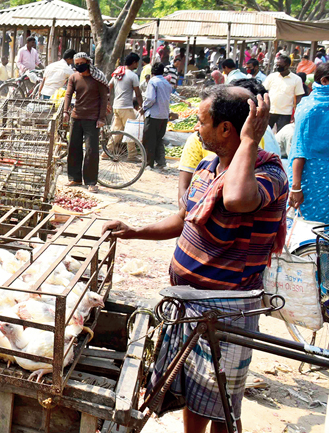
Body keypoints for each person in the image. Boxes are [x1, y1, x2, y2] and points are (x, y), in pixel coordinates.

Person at [104, 85, 287, 433]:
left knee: (220, 407)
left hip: (226, 311)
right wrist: (135, 230)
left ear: (227, 129)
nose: (195, 129)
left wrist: (250, 140)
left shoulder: (269, 174)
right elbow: (184, 218)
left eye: (201, 122)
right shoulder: (208, 166)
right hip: (189, 304)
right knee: (194, 397)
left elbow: (236, 200)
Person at [288, 61, 329, 223]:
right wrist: (296, 187)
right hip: (311, 180)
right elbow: (300, 149)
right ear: (324, 81)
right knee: (309, 229)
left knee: (327, 229)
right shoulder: (311, 109)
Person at [62, 53, 108, 193]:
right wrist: (65, 111)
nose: (78, 65)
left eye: (81, 63)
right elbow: (68, 94)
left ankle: (91, 181)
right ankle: (75, 178)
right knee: (73, 148)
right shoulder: (74, 77)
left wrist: (101, 118)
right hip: (76, 117)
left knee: (91, 151)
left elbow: (103, 99)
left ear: (88, 63)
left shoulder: (97, 78)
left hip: (92, 119)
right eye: (76, 63)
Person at [142, 62, 173, 170]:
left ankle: (148, 164)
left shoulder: (153, 82)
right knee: (159, 139)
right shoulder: (167, 83)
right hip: (164, 115)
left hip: (153, 115)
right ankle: (161, 162)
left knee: (149, 139)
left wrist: (143, 107)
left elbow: (150, 99)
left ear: (152, 72)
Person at [108, 53, 143, 147]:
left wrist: (107, 100)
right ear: (134, 62)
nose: (137, 65)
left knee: (116, 131)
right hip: (126, 107)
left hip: (116, 106)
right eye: (137, 63)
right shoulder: (133, 76)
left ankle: (107, 151)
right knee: (130, 132)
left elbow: (109, 87)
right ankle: (132, 154)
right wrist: (142, 106)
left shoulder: (117, 73)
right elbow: (138, 94)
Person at [263, 55, 304, 132]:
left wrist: (297, 113)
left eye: (280, 65)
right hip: (270, 111)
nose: (277, 67)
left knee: (281, 135)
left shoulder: (296, 79)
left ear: (287, 65)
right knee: (264, 133)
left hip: (285, 113)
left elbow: (299, 97)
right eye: (276, 65)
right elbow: (264, 91)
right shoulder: (272, 77)